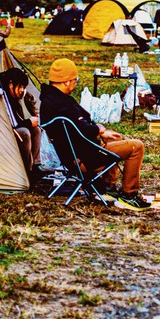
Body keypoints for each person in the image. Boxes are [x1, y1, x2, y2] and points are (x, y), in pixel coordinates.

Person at [39, 58, 151, 211]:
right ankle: (129, 195)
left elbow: (76, 131)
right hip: (85, 159)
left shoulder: (47, 102)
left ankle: (107, 188)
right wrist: (99, 129)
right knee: (136, 146)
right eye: (75, 80)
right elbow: (85, 130)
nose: (76, 83)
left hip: (71, 157)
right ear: (66, 82)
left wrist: (102, 133)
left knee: (117, 140)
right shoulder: (64, 104)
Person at [0, 67, 42, 183]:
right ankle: (26, 171)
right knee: (24, 132)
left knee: (36, 130)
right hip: (2, 132)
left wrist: (32, 121)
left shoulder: (14, 98)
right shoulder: (1, 96)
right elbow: (10, 124)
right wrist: (29, 122)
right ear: (10, 84)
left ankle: (35, 166)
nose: (22, 90)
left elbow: (17, 120)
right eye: (20, 87)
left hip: (13, 129)